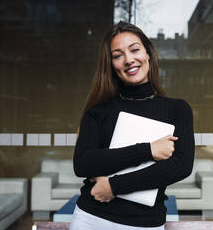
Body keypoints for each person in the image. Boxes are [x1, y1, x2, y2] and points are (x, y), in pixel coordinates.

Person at [70, 21, 195, 230]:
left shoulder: (177, 109)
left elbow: (180, 166)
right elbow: (83, 163)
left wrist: (113, 186)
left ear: (148, 54)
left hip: (145, 224)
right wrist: (147, 150)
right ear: (110, 64)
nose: (128, 60)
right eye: (117, 55)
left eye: (135, 49)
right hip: (91, 219)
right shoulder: (98, 111)